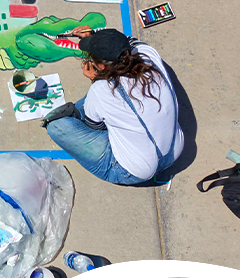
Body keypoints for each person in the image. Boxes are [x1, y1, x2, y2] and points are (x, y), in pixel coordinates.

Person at [44, 27, 184, 185]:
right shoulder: (148, 55)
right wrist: (97, 39)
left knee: (56, 125)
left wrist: (96, 81)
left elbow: (95, 126)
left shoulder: (101, 89)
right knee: (104, 104)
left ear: (102, 67)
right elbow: (131, 41)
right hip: (174, 152)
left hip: (134, 172)